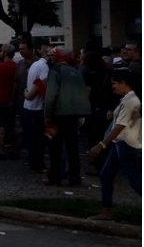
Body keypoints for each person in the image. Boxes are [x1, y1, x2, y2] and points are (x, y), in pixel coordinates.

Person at [87, 68, 141, 221]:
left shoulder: (130, 100)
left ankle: (107, 211)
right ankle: (106, 211)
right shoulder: (127, 99)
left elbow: (120, 126)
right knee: (106, 175)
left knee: (135, 180)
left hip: (127, 145)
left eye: (114, 83)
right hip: (121, 145)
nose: (113, 87)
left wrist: (101, 145)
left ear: (124, 83)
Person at [43, 47, 91, 186]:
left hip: (58, 115)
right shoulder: (76, 72)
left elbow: (51, 95)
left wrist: (47, 115)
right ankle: (74, 177)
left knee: (55, 148)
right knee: (73, 148)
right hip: (74, 115)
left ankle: (55, 177)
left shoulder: (55, 72)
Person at [22, 44, 52, 173]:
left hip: (28, 107)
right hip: (36, 107)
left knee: (32, 138)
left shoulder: (35, 64)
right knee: (38, 139)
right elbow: (41, 83)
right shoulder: (44, 66)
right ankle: (37, 163)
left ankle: (33, 161)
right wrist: (29, 95)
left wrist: (27, 94)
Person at [0, 44, 19, 159]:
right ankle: (13, 148)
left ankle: (0, 149)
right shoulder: (16, 66)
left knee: (0, 125)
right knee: (11, 125)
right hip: (11, 99)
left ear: (4, 53)